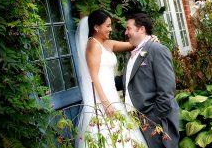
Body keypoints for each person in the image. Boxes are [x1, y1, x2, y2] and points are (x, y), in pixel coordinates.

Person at [75, 10, 149, 148]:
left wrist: (149, 39)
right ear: (96, 27)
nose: (111, 29)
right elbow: (94, 77)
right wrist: (106, 103)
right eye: (107, 26)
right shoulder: (93, 45)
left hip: (112, 95)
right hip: (102, 98)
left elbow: (133, 45)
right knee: (108, 135)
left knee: (123, 135)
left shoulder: (107, 43)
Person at [120, 13, 180, 148]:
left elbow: (167, 89)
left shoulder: (157, 49)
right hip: (137, 120)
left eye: (128, 28)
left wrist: (154, 118)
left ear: (141, 29)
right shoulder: (134, 54)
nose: (126, 32)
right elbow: (128, 80)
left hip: (153, 120)